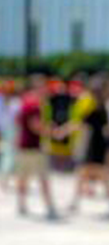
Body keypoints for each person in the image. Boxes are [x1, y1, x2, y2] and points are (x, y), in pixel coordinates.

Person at [14, 81, 59, 219]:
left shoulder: (24, 104)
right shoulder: (34, 106)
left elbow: (17, 122)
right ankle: (50, 207)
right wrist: (51, 131)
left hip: (23, 146)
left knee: (23, 177)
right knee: (43, 178)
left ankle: (21, 205)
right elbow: (35, 126)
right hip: (33, 148)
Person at [66, 73, 107, 215]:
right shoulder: (100, 107)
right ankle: (74, 202)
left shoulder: (96, 107)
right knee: (93, 174)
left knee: (89, 174)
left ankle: (74, 202)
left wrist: (62, 131)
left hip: (94, 146)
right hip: (97, 145)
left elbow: (79, 124)